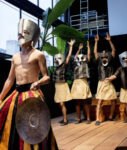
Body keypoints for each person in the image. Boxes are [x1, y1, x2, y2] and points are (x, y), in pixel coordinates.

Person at [0, 19, 58, 150]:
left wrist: (37, 82)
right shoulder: (15, 57)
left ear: (31, 36)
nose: (20, 35)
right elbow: (10, 80)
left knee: (33, 126)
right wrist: (1, 97)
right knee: (5, 117)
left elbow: (47, 77)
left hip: (32, 93)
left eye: (24, 32)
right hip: (16, 94)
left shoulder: (39, 55)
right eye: (19, 33)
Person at [106, 51, 127, 124]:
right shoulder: (120, 68)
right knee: (126, 103)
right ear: (121, 59)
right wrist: (109, 78)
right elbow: (115, 75)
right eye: (124, 58)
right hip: (124, 89)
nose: (125, 59)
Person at [94, 33, 117, 125]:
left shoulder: (110, 60)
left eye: (105, 57)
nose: (104, 58)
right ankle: (97, 119)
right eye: (102, 57)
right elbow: (95, 52)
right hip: (101, 82)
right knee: (100, 101)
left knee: (113, 100)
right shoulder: (99, 61)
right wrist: (96, 42)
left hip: (109, 82)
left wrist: (109, 41)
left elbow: (114, 50)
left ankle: (111, 116)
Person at [53, 39, 75, 126]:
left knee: (62, 103)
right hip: (57, 85)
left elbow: (69, 56)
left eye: (59, 58)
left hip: (62, 85)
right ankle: (64, 118)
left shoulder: (63, 65)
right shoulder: (56, 67)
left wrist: (71, 47)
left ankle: (65, 120)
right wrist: (60, 53)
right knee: (60, 103)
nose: (57, 60)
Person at [71, 41, 92, 124]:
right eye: (78, 57)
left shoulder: (85, 62)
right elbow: (75, 57)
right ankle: (79, 118)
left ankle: (88, 118)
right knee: (77, 102)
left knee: (85, 101)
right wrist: (79, 50)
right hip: (76, 82)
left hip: (83, 81)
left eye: (82, 57)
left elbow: (89, 55)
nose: (80, 58)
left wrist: (88, 47)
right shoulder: (76, 64)